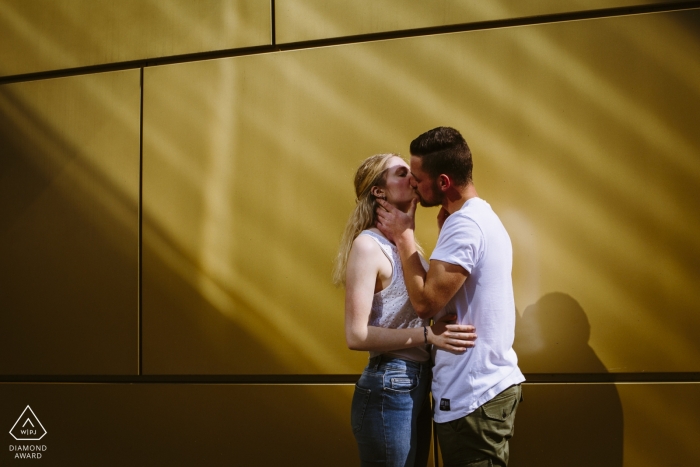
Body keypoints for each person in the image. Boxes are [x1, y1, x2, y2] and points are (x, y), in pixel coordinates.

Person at [375, 128, 525, 467]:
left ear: (443, 182)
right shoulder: (477, 217)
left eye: (417, 178)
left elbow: (426, 303)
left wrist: (403, 237)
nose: (412, 184)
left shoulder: (466, 226)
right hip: (480, 394)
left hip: (473, 398)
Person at [334, 153, 478, 467]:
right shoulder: (367, 246)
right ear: (379, 191)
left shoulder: (406, 246)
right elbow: (355, 335)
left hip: (417, 382)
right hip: (389, 384)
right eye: (401, 173)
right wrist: (429, 335)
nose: (411, 178)